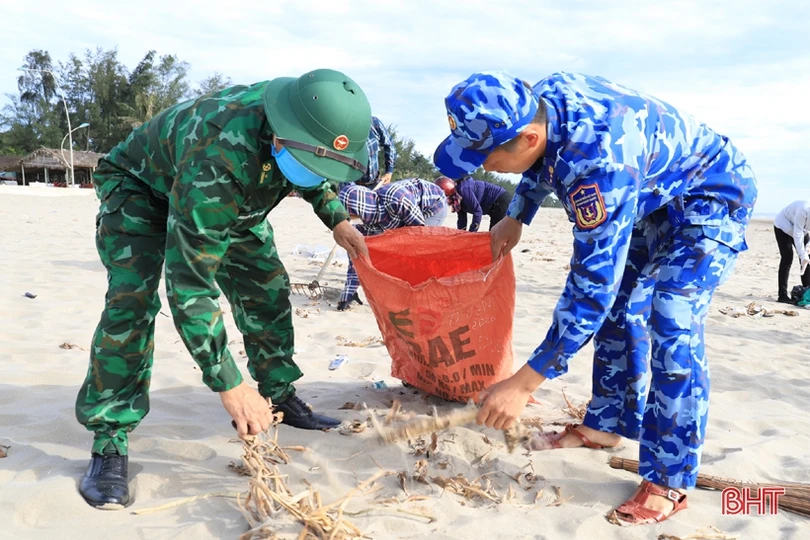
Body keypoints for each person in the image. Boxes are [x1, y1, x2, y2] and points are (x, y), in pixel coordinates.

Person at [434, 71, 757, 525]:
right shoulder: (538, 101)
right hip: (653, 196)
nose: (481, 168)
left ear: (526, 137)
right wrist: (517, 213)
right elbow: (544, 160)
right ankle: (603, 428)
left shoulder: (600, 168)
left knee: (670, 318)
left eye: (483, 157)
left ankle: (670, 478)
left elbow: (590, 289)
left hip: (711, 196)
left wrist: (524, 384)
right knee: (621, 309)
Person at [75, 68, 372, 509]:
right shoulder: (216, 157)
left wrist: (337, 217)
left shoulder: (302, 114)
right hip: (141, 189)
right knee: (131, 302)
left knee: (267, 288)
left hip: (237, 198)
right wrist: (229, 386)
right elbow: (190, 288)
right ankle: (110, 437)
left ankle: (278, 393)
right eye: (307, 163)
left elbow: (315, 165)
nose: (312, 172)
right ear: (280, 135)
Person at [336, 179, 447, 311]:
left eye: (354, 216)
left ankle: (422, 294)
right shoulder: (366, 221)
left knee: (411, 250)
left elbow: (420, 237)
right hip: (404, 211)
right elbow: (356, 255)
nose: (356, 220)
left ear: (361, 209)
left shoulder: (397, 199)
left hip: (433, 205)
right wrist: (350, 291)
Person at [435, 175, 512, 232]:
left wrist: (472, 232)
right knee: (492, 234)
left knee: (495, 233)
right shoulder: (456, 199)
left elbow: (477, 212)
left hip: (500, 199)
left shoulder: (463, 190)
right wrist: (461, 233)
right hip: (491, 205)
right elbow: (462, 218)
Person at [773, 200, 810, 303]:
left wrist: (807, 247)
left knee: (807, 259)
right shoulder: (804, 209)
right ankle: (782, 296)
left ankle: (807, 293)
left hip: (800, 229)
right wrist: (802, 254)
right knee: (787, 258)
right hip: (783, 226)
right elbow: (797, 234)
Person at [356, 115, 397, 189]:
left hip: (375, 184)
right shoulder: (342, 126)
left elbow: (390, 146)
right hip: (351, 185)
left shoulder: (374, 123)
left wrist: (389, 172)